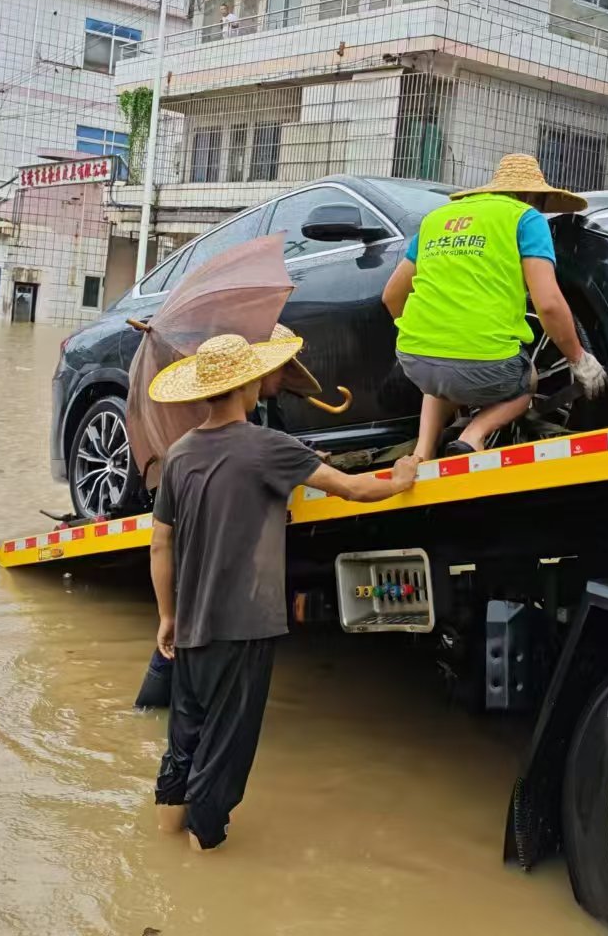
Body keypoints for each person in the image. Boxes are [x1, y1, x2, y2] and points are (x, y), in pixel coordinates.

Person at [147, 331, 418, 849]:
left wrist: (166, 616)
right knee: (224, 754)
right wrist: (403, 475)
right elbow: (354, 488)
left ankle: (164, 846)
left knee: (182, 745)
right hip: (244, 628)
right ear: (247, 384)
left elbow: (161, 545)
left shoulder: (178, 455)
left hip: (190, 628)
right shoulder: (270, 448)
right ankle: (203, 859)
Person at [381, 153, 608, 461]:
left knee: (440, 376)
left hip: (415, 362)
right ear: (533, 196)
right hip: (485, 366)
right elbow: (549, 305)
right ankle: (473, 436)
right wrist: (579, 359)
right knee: (525, 382)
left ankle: (422, 451)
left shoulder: (436, 220)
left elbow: (392, 295)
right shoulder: (526, 218)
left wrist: (420, 333)